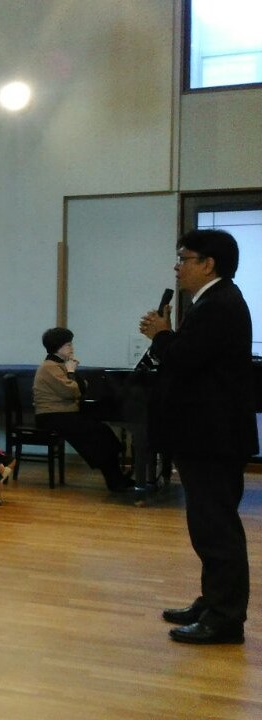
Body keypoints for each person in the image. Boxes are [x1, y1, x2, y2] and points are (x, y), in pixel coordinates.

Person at [139, 229, 257, 645]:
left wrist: (161, 334)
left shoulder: (218, 305)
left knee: (216, 527)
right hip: (207, 436)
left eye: (184, 258)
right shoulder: (213, 302)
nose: (178, 266)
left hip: (212, 437)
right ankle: (212, 603)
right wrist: (167, 337)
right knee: (208, 525)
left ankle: (224, 619)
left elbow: (185, 360)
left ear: (208, 264)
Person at [32, 328, 129, 491]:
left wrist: (73, 377)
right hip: (51, 416)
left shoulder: (59, 364)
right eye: (68, 345)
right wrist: (71, 372)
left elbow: (82, 386)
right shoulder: (49, 367)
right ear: (57, 347)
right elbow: (71, 391)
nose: (72, 348)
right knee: (97, 432)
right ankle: (114, 479)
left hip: (62, 413)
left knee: (102, 430)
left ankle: (116, 477)